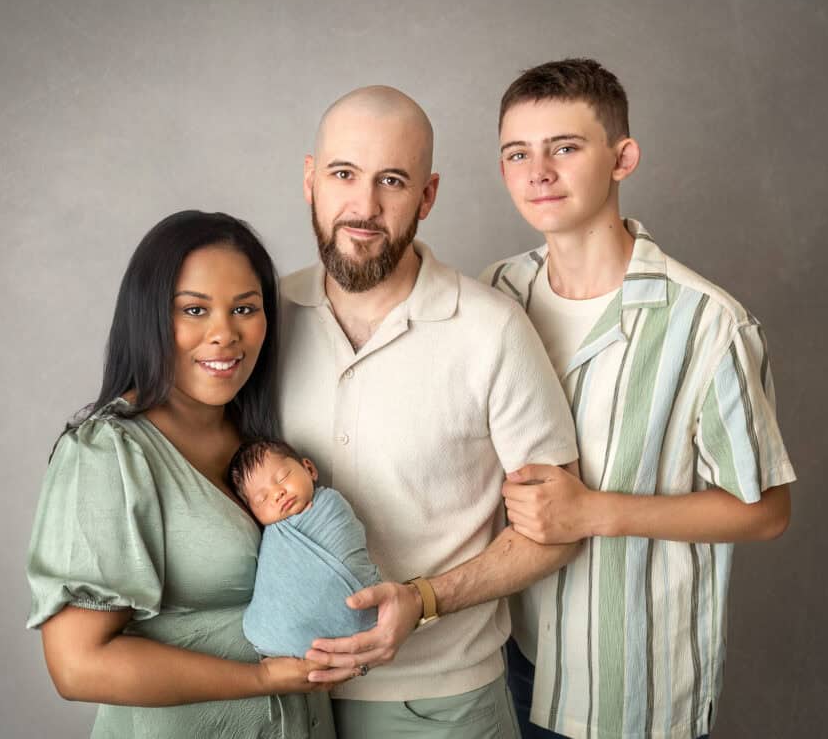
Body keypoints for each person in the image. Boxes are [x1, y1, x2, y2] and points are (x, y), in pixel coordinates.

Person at [483, 58, 796, 739]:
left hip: (630, 682)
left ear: (622, 157)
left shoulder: (707, 322)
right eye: (517, 153)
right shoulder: (492, 297)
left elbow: (766, 510)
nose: (538, 172)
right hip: (507, 657)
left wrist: (594, 511)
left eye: (564, 147)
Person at [278, 85, 581, 738]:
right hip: (280, 697)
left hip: (442, 706)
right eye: (343, 174)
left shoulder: (491, 328)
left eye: (392, 180)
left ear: (428, 195)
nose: (364, 206)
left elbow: (558, 525)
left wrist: (424, 600)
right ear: (310, 179)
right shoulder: (261, 319)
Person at [25, 211, 349, 738]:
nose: (224, 334)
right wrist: (262, 678)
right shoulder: (108, 455)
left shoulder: (258, 440)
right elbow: (77, 665)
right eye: (194, 310)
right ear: (148, 317)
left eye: (245, 308)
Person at [228, 438, 382, 659]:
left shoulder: (331, 505)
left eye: (282, 478)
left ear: (309, 469)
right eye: (262, 499)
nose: (277, 493)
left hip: (363, 606)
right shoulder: (274, 539)